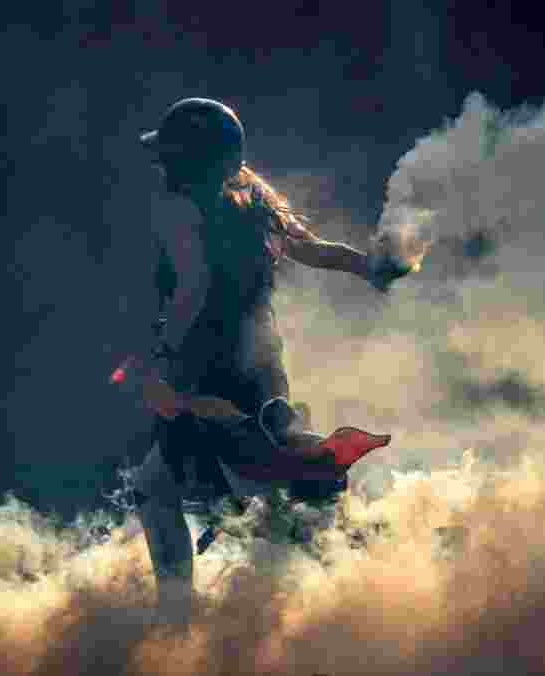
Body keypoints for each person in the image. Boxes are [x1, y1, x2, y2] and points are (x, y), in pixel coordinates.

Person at [124, 98, 407, 625]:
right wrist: (369, 267)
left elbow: (193, 286)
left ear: (186, 163)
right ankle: (366, 560)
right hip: (261, 365)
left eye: (170, 156)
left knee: (160, 486)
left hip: (208, 369)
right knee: (263, 479)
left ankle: (176, 621)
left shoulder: (178, 210)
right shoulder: (254, 200)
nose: (162, 165)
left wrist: (161, 357)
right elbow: (315, 249)